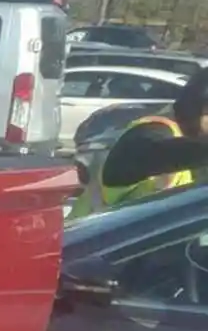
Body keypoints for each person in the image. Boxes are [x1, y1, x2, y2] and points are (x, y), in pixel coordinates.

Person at [76, 62, 208, 219]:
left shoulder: (181, 136)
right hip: (92, 238)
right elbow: (161, 153)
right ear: (202, 110)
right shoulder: (147, 136)